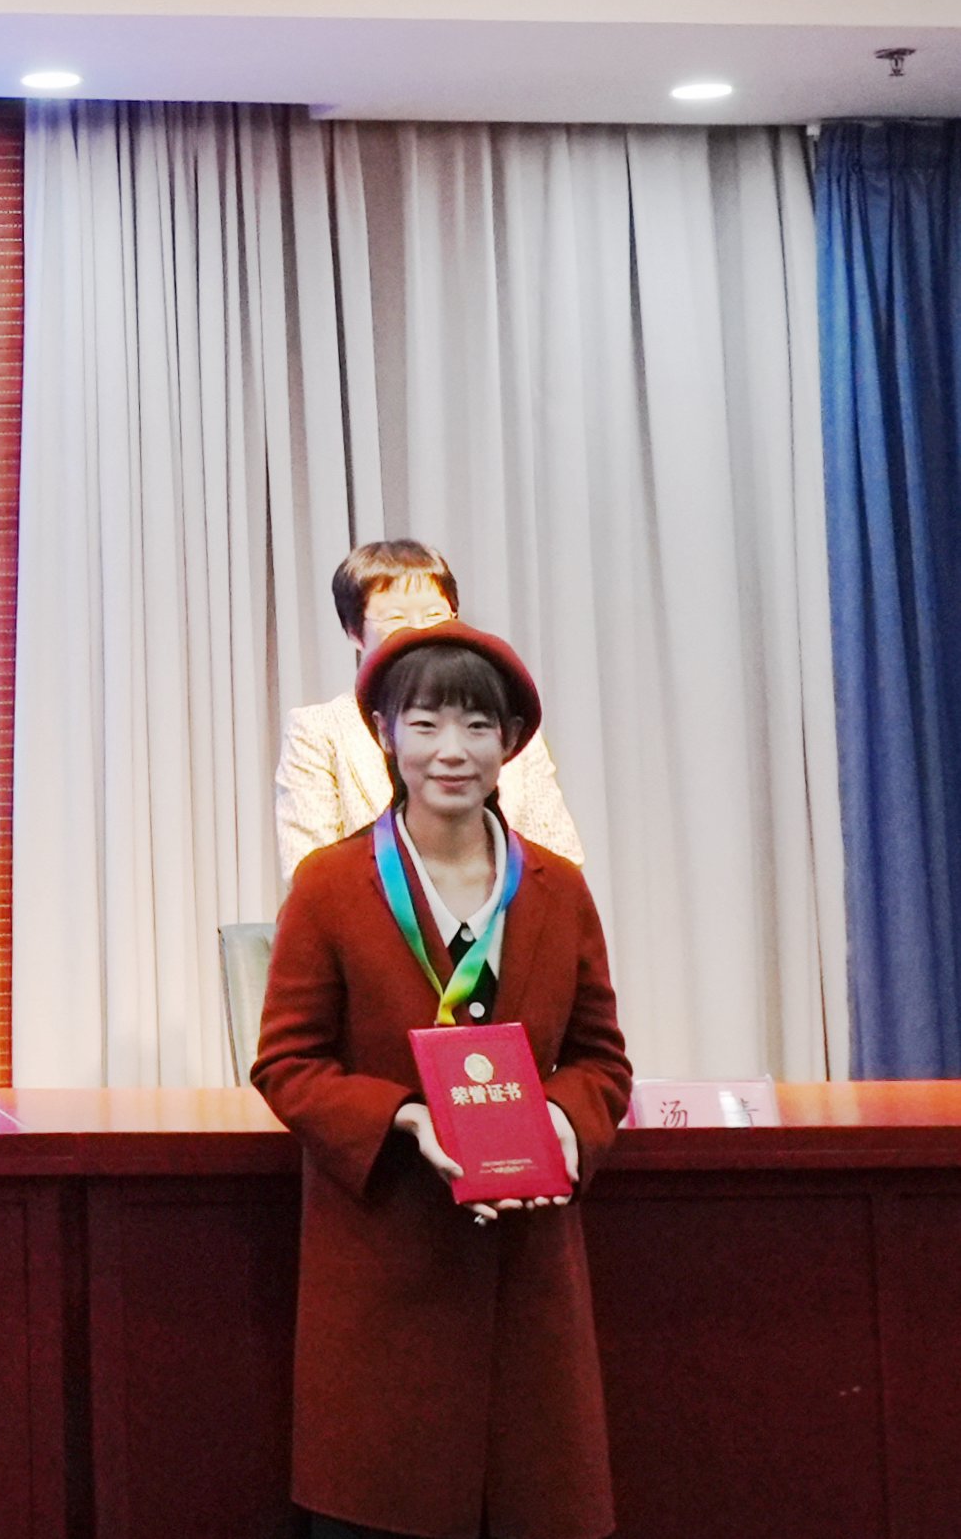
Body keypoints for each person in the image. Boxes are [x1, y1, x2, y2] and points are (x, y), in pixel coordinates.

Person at [253, 623, 633, 1539]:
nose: (450, 752)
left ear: (511, 742)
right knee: (383, 1504)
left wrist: (559, 1123)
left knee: (534, 1498)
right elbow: (285, 1063)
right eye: (424, 724)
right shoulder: (329, 885)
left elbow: (601, 1061)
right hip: (385, 1255)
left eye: (476, 726)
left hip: (527, 1267)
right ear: (384, 735)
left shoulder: (557, 889)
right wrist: (406, 1118)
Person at [274, 539, 585, 876]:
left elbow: (561, 862)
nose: (421, 631)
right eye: (396, 618)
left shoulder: (501, 722)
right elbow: (307, 872)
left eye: (435, 615)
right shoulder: (319, 730)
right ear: (354, 631)